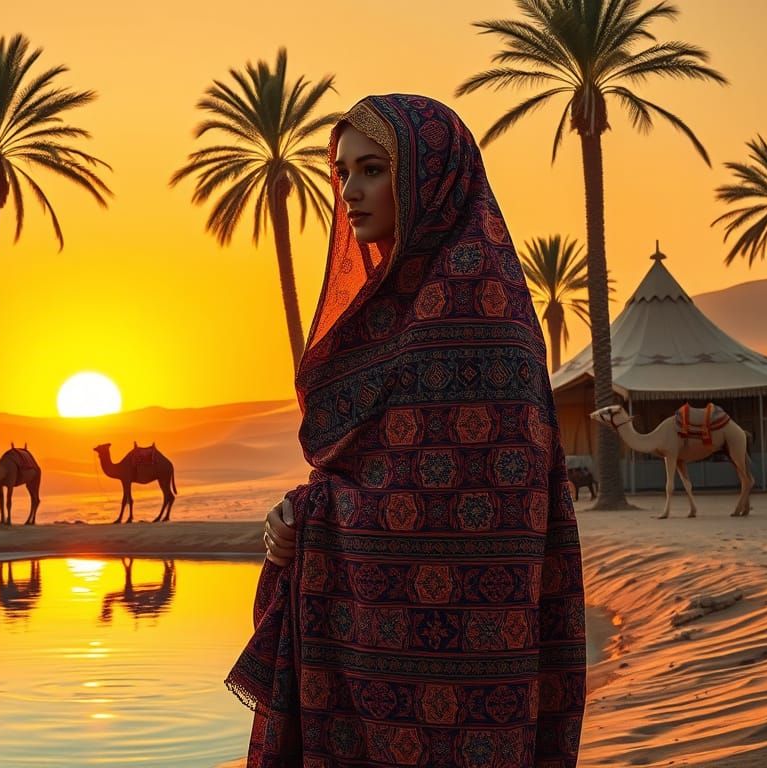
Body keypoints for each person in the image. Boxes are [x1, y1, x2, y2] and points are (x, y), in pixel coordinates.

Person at [226, 94, 586, 768]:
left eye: (373, 170)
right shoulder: (392, 306)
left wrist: (312, 512)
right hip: (366, 655)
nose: (352, 193)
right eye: (342, 174)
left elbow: (465, 501)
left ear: (431, 177)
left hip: (459, 664)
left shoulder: (478, 298)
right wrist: (305, 510)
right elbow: (378, 464)